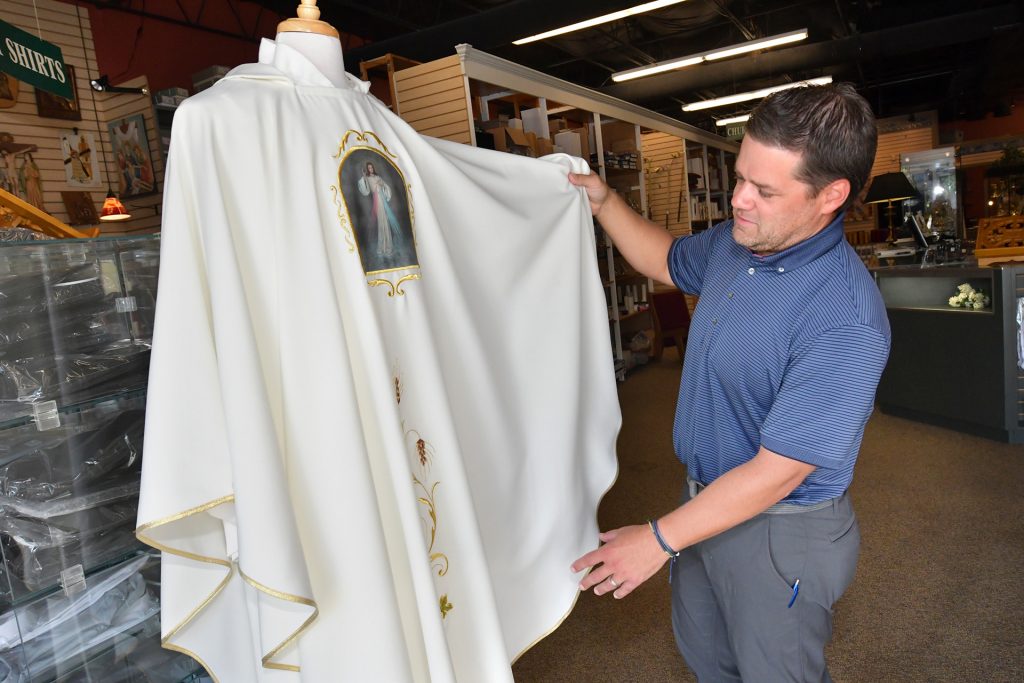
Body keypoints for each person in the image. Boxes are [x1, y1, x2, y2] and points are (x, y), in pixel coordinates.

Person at [569, 82, 891, 682]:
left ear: (831, 196)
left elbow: (778, 473)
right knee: (709, 662)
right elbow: (666, 259)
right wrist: (605, 202)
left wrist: (657, 540)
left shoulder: (844, 318)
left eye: (764, 190)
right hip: (703, 503)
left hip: (779, 532)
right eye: (740, 177)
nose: (739, 199)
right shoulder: (740, 242)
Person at [358, 161, 403, 259]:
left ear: (373, 168)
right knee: (381, 221)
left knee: (386, 221)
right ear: (367, 169)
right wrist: (364, 177)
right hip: (377, 200)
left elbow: (385, 186)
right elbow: (366, 190)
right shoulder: (368, 178)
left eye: (371, 167)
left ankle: (388, 246)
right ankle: (382, 246)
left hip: (382, 200)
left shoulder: (378, 177)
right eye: (369, 168)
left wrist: (381, 184)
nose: (371, 169)